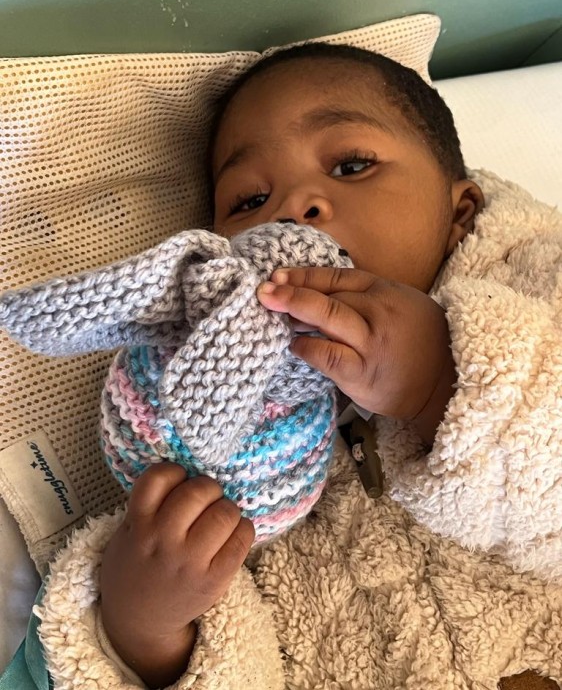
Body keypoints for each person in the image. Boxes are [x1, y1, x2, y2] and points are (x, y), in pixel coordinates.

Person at [5, 43, 562, 690]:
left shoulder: (537, 285)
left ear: (459, 212)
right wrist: (146, 630)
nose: (296, 206)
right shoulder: (217, 425)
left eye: (351, 165)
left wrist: (443, 380)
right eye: (249, 200)